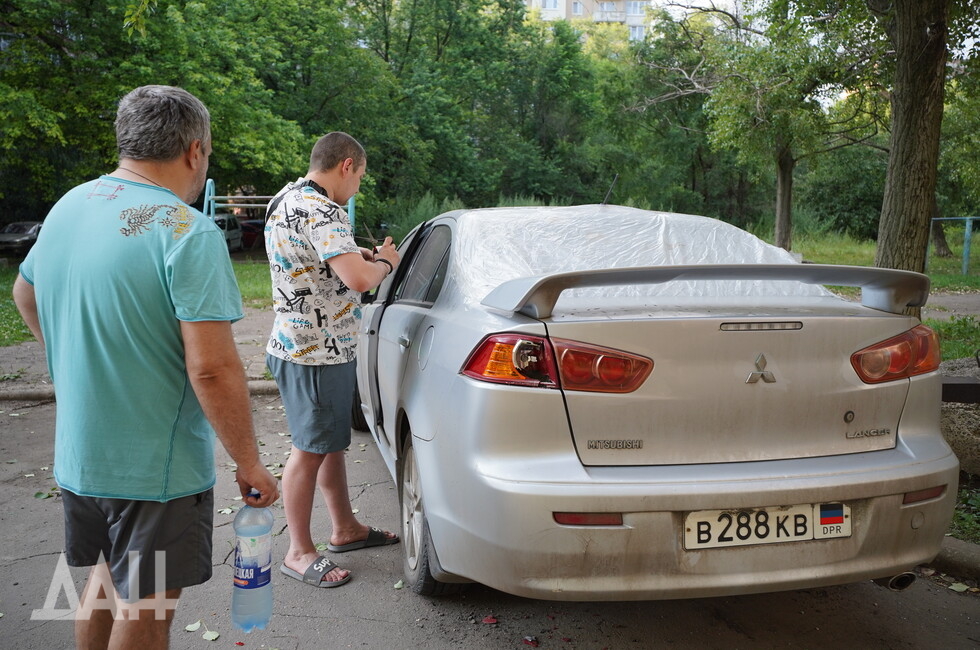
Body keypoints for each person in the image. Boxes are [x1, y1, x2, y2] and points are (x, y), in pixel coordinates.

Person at [12, 85, 279, 649]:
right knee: (149, 609)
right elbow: (212, 370)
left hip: (83, 457)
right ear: (194, 150)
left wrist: (73, 356)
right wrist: (250, 462)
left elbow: (24, 294)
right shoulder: (186, 229)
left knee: (105, 580)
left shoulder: (70, 205)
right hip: (154, 472)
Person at [265, 132, 400, 588]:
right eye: (359, 176)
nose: (358, 186)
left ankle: (345, 529)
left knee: (328, 443)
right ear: (346, 165)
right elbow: (361, 280)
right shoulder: (326, 210)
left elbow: (312, 260)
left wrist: (354, 255)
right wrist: (383, 261)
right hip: (316, 353)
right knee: (309, 449)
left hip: (302, 345)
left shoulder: (288, 197)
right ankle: (300, 552)